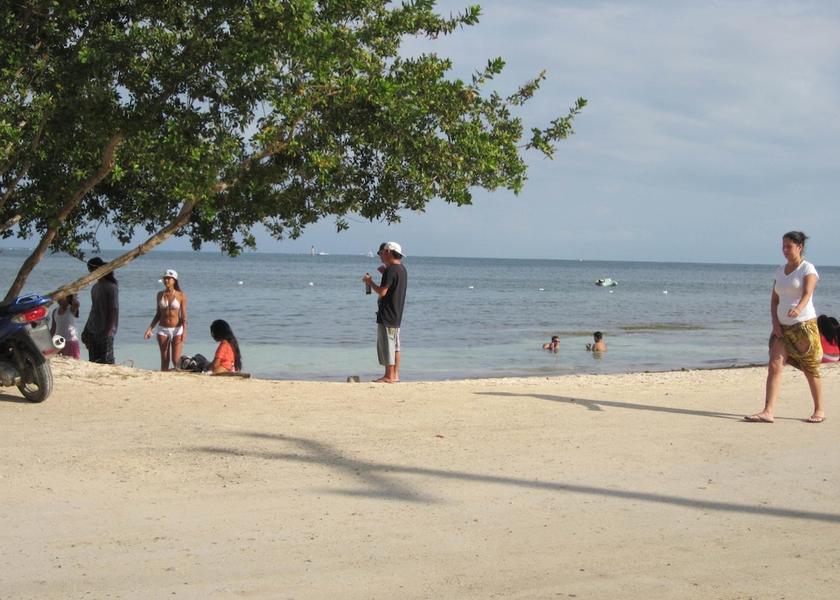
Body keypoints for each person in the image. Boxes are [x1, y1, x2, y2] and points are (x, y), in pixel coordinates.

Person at [745, 231, 824, 423]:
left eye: (789, 246)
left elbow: (807, 293)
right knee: (774, 366)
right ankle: (768, 411)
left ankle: (819, 410)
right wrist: (775, 323)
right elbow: (774, 300)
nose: (785, 250)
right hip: (782, 328)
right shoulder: (780, 271)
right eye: (783, 246)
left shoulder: (808, 269)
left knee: (809, 368)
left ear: (800, 247)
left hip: (803, 326)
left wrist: (798, 308)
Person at [362, 241, 407, 383]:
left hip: (387, 314)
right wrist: (384, 272)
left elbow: (382, 292)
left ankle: (389, 375)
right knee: (396, 347)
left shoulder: (391, 270)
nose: (380, 255)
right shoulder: (401, 269)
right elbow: (393, 284)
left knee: (388, 345)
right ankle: (395, 375)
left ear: (388, 252)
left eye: (381, 253)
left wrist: (370, 283)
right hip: (396, 314)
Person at [144, 269, 188, 371]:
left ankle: (179, 378)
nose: (166, 281)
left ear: (174, 280)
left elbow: (184, 315)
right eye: (165, 279)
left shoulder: (181, 295)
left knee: (176, 359)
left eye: (169, 278)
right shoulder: (160, 295)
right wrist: (150, 329)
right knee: (164, 359)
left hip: (177, 329)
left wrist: (185, 331)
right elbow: (158, 314)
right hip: (163, 329)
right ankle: (163, 378)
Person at [81, 257, 119, 364]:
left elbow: (113, 310)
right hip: (93, 329)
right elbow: (93, 310)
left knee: (107, 361)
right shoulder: (95, 287)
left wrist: (108, 331)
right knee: (94, 361)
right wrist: (86, 329)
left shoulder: (111, 287)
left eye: (91, 270)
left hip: (106, 331)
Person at [50, 294, 81, 359]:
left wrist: (72, 296)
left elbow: (77, 304)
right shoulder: (55, 311)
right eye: (58, 298)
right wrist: (48, 343)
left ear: (68, 299)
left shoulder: (72, 309)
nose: (59, 299)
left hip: (70, 342)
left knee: (72, 364)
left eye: (61, 297)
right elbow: (53, 329)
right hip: (58, 342)